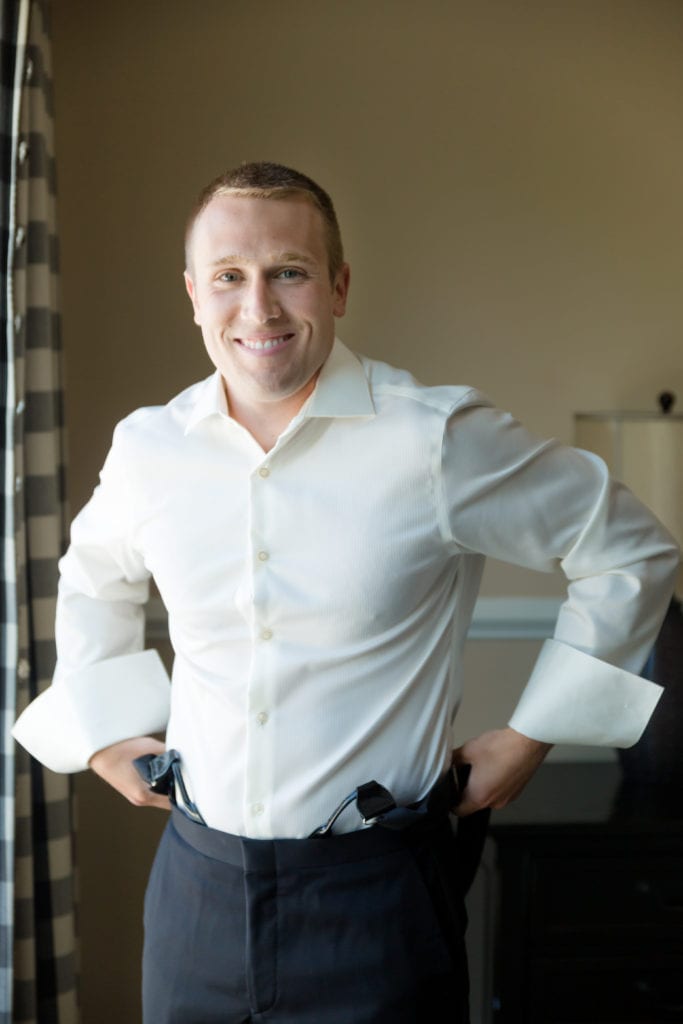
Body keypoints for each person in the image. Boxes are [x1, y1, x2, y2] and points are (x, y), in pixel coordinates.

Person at [13, 162, 679, 1023]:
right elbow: (91, 578)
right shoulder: (150, 448)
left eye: (287, 271)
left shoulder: (434, 438)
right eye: (228, 278)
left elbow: (627, 549)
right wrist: (104, 737)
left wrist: (532, 734)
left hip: (374, 897)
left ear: (337, 286)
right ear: (192, 295)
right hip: (193, 890)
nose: (258, 309)